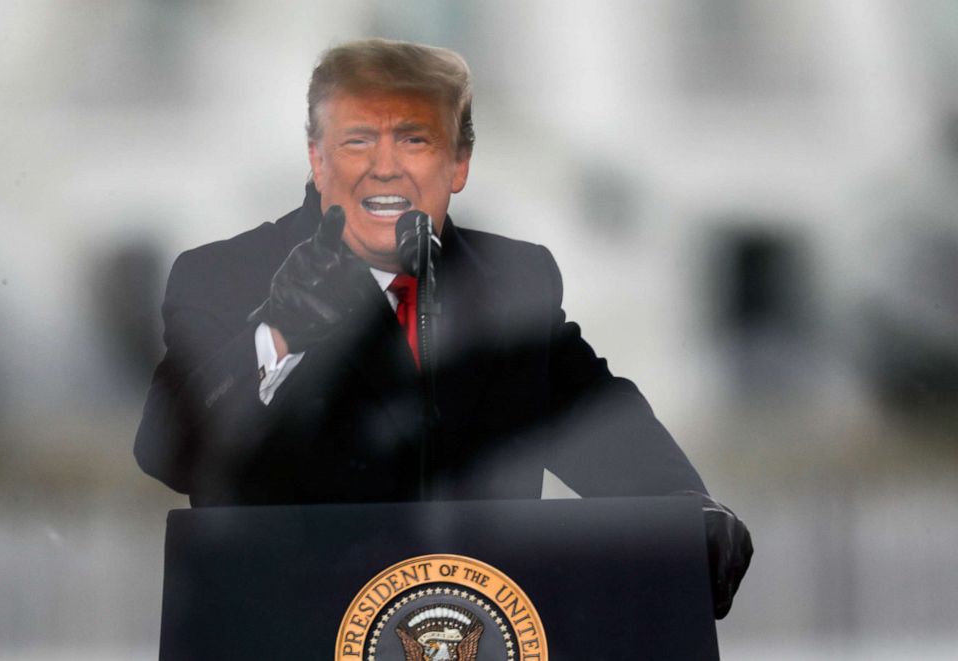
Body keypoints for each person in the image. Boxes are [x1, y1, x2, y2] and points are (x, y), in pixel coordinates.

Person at [134, 38, 752, 618]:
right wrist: (278, 332)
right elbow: (168, 448)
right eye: (357, 140)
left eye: (415, 140)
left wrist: (685, 512)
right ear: (317, 160)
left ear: (458, 164)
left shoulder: (513, 280)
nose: (385, 168)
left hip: (479, 634)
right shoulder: (225, 273)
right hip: (290, 630)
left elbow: (594, 420)